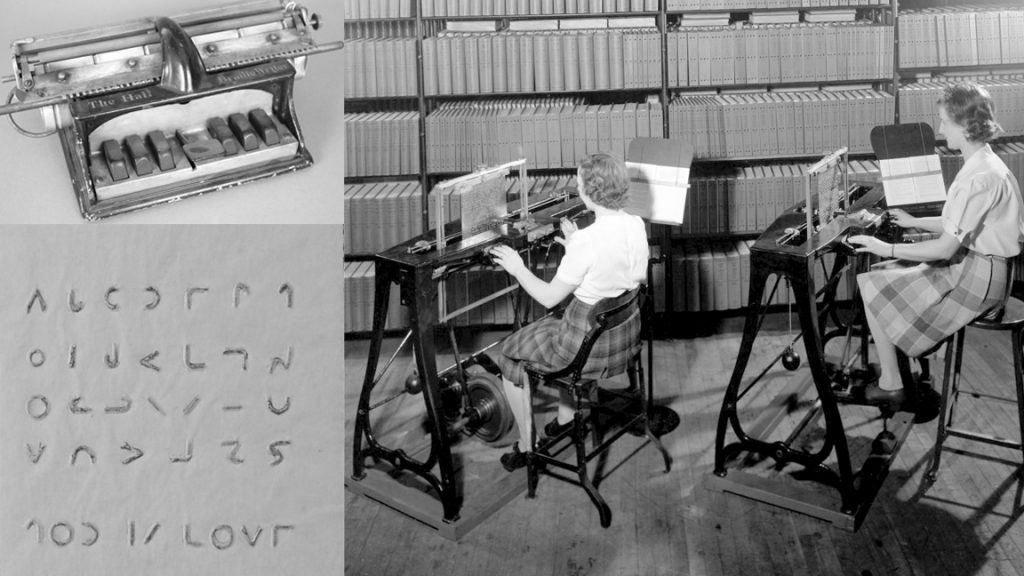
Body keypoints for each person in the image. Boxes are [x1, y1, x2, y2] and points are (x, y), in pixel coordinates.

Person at [848, 82, 1024, 409]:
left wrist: (884, 247)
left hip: (981, 280)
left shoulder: (979, 178)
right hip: (983, 267)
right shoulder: (985, 164)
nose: (940, 129)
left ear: (965, 126)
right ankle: (906, 362)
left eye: (944, 121)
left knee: (872, 283)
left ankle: (892, 383)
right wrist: (911, 221)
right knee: (884, 273)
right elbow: (959, 225)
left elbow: (944, 249)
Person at [487, 153, 649, 471]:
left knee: (508, 354)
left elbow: (548, 298)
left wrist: (517, 267)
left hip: (582, 354)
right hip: (621, 342)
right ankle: (566, 418)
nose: (577, 186)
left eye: (579, 182)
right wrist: (575, 244)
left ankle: (528, 446)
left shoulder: (587, 242)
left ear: (589, 191)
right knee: (559, 323)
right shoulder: (635, 224)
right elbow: (622, 274)